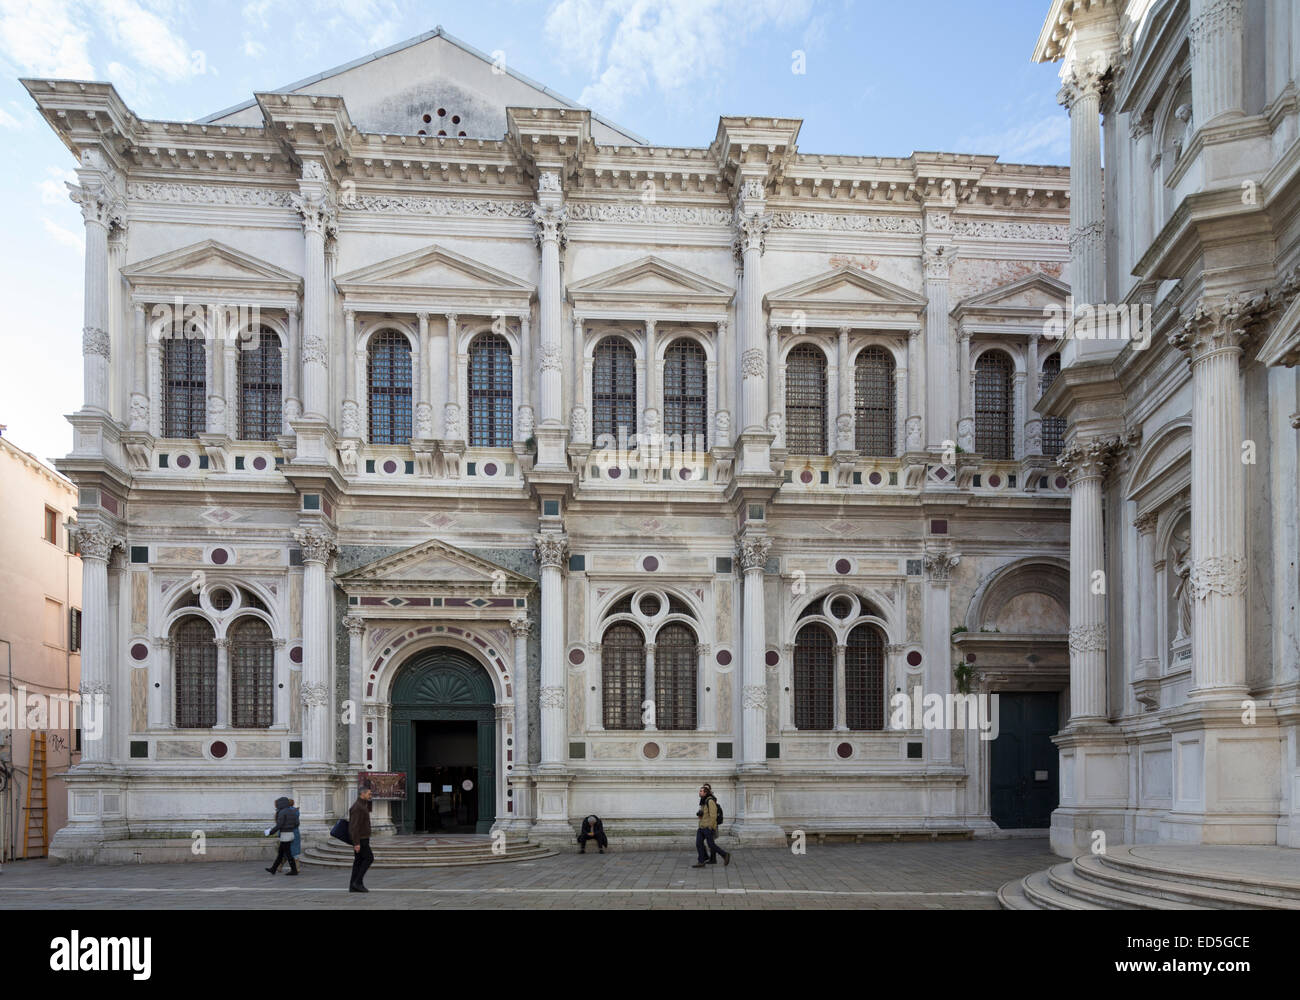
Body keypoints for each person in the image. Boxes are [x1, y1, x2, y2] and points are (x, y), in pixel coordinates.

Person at [691, 782, 730, 868]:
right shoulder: (703, 801)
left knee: (711, 845)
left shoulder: (710, 801)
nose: (699, 792)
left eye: (701, 791)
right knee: (698, 843)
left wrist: (710, 827)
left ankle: (725, 854)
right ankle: (701, 861)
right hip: (701, 827)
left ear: (705, 792)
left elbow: (713, 815)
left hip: (707, 827)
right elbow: (704, 814)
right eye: (700, 791)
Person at [348, 783, 374, 893]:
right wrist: (356, 843)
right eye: (369, 793)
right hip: (361, 839)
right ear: (362, 794)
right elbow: (354, 826)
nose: (370, 795)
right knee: (369, 858)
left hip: (362, 838)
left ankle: (353, 885)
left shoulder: (362, 805)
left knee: (358, 861)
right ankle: (357, 882)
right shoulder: (358, 807)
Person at [265, 796, 300, 876]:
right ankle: (273, 868)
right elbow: (297, 823)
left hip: (285, 835)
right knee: (281, 853)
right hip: (290, 833)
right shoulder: (292, 811)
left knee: (288, 854)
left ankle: (294, 870)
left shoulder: (282, 812)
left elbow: (279, 825)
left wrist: (270, 832)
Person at [286, 798, 301, 874]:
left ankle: (294, 868)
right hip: (295, 832)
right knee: (295, 851)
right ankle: (297, 867)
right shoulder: (296, 811)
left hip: (287, 832)